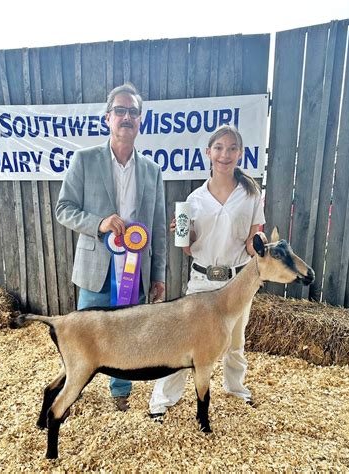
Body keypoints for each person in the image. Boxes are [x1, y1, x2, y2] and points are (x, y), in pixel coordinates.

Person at [56, 83, 166, 412]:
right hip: (96, 271)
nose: (126, 116)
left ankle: (121, 394)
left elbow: (158, 228)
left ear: (141, 120)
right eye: (120, 110)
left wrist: (158, 274)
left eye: (133, 111)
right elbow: (64, 209)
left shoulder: (153, 170)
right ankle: (72, 389)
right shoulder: (84, 160)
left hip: (137, 273)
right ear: (107, 118)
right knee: (84, 335)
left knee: (129, 338)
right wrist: (99, 224)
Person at [149, 125, 265, 417]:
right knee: (183, 344)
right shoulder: (194, 199)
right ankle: (162, 401)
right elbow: (188, 248)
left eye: (231, 148)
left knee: (235, 342)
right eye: (219, 148)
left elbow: (253, 244)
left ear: (239, 154)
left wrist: (263, 245)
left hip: (237, 281)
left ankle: (236, 389)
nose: (225, 154)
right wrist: (183, 235)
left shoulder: (251, 194)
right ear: (208, 153)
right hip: (202, 282)